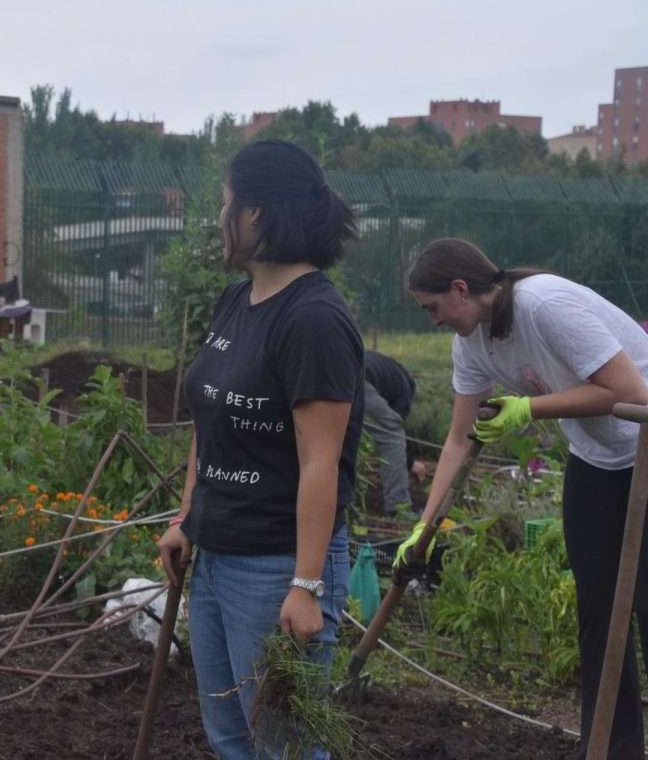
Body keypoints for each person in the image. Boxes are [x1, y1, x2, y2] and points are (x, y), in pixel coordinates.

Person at [398, 237, 648, 759]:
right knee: (598, 611)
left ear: (461, 289)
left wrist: (530, 409)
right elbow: (457, 439)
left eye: (433, 308)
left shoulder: (544, 304)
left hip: (644, 443)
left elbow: (630, 391)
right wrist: (422, 529)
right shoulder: (472, 341)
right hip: (598, 460)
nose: (433, 321)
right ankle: (607, 748)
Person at [156, 140, 363, 759]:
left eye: (225, 206)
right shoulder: (235, 302)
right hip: (216, 557)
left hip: (275, 566)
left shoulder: (314, 319)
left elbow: (320, 460)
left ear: (257, 216)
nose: (220, 219)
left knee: (285, 747)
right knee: (230, 738)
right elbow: (210, 421)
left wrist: (306, 586)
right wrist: (187, 518)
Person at [362, 349, 427, 518]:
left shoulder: (390, 370)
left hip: (334, 369)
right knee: (392, 436)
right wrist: (411, 463)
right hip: (357, 380)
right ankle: (399, 508)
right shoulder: (405, 392)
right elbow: (391, 430)